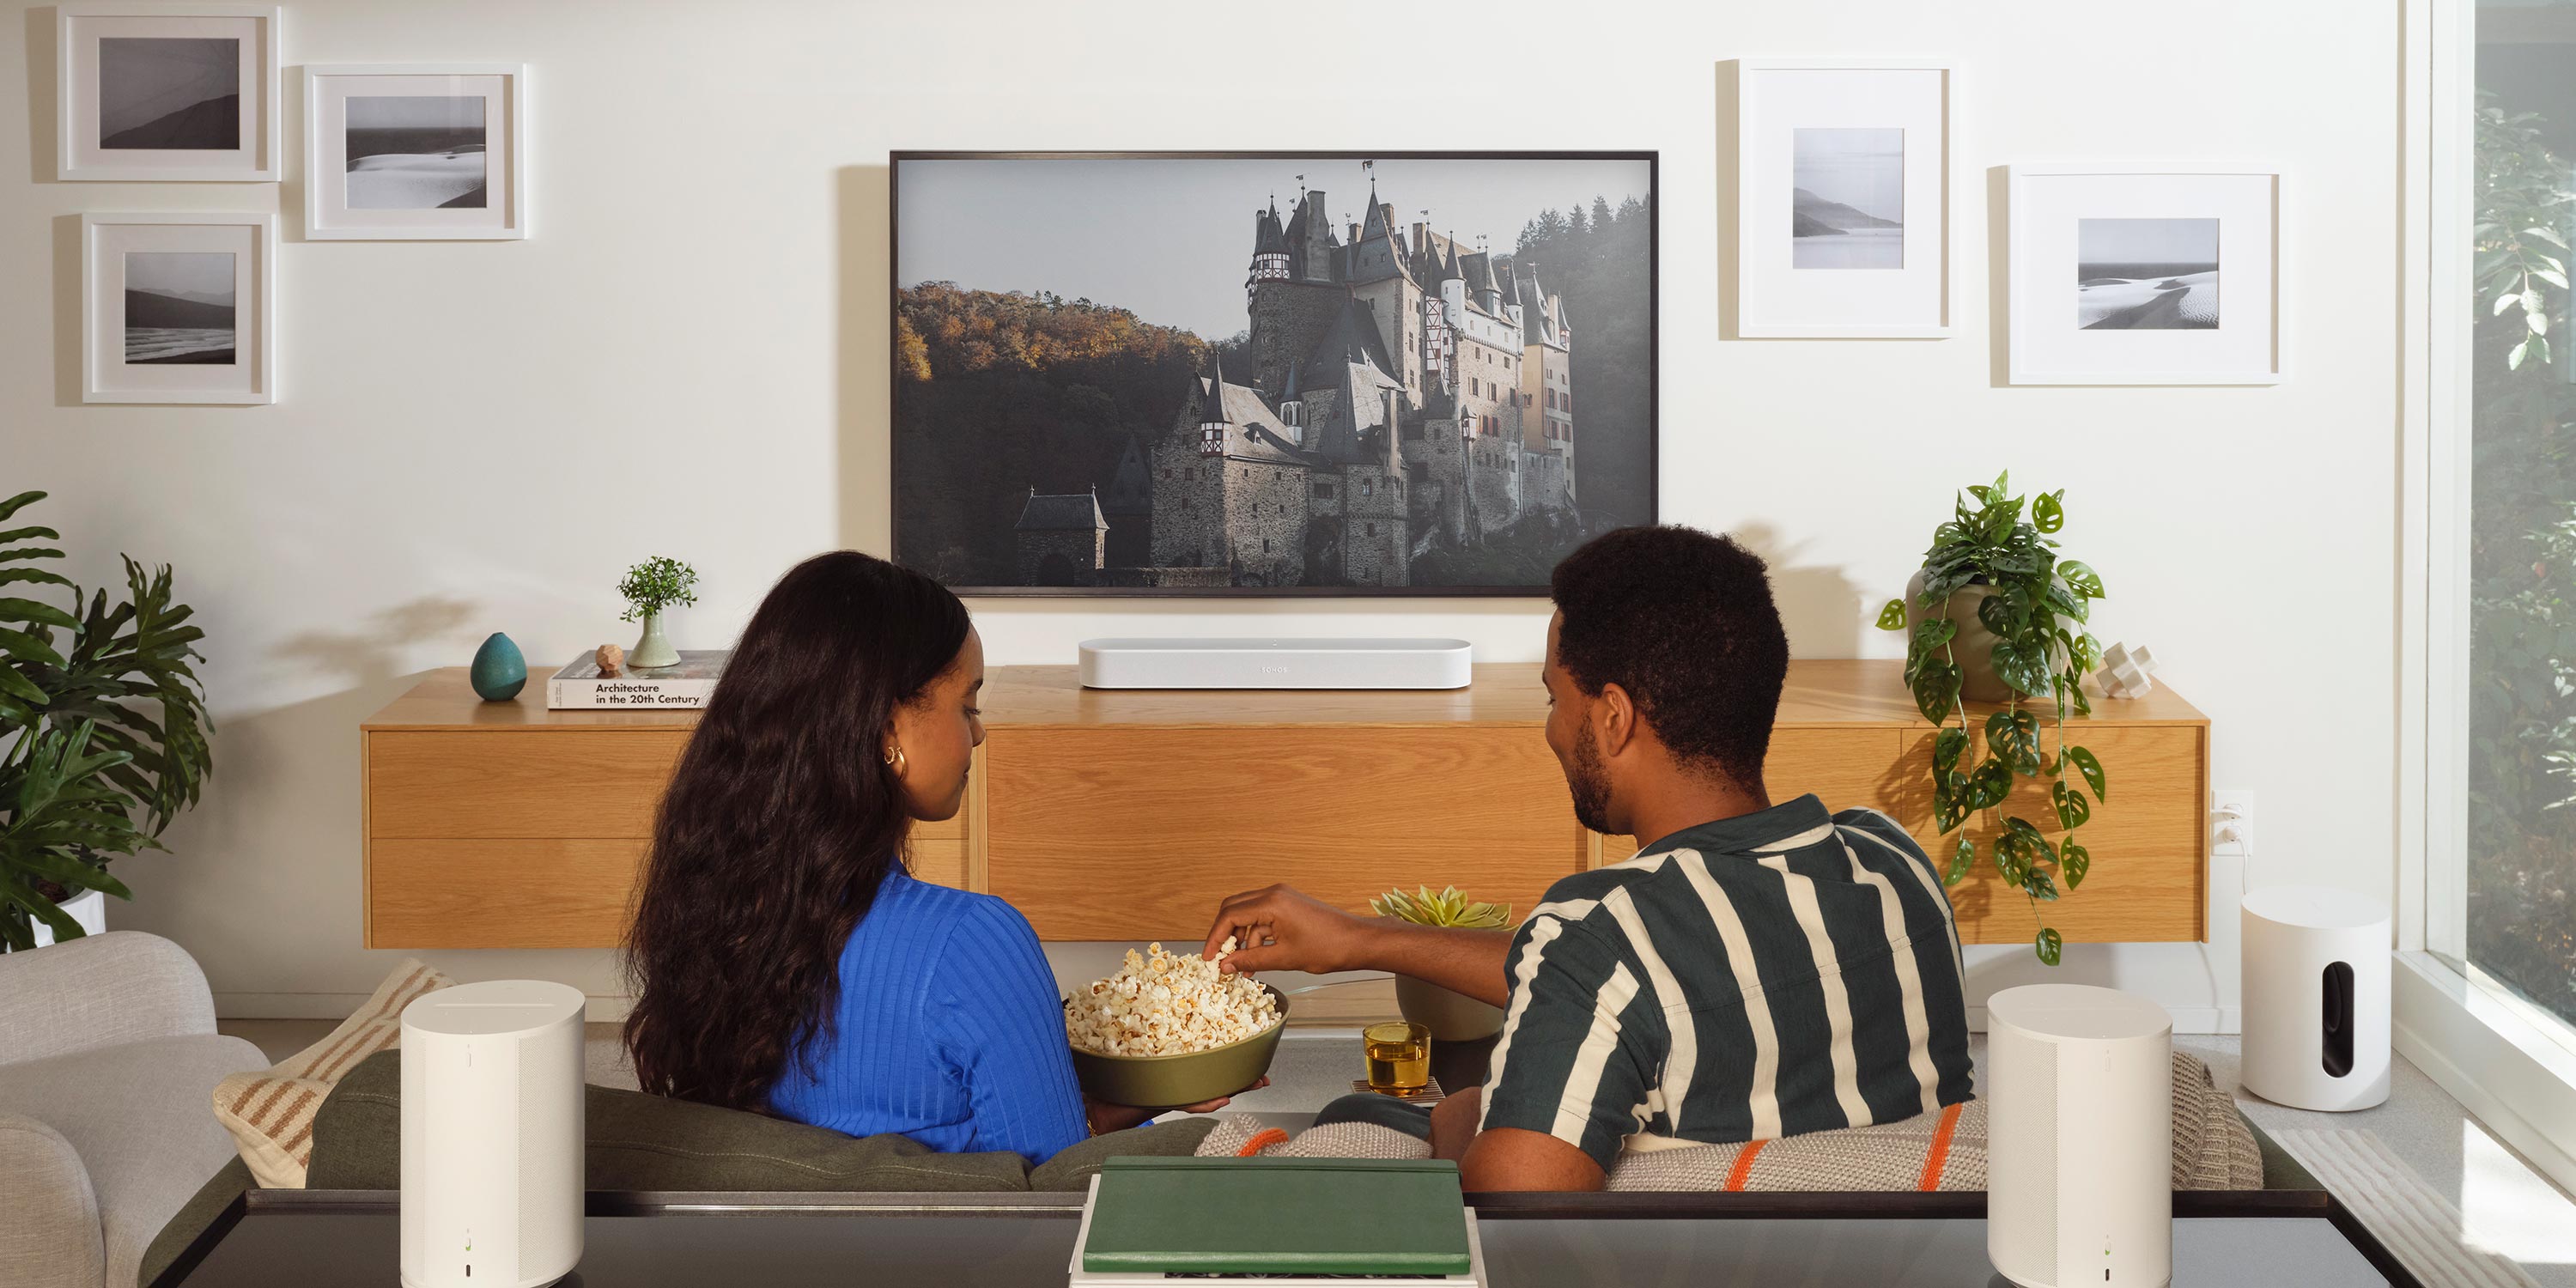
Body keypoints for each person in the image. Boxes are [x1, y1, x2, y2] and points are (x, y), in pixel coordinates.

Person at [1202, 526, 1974, 1191]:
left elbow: (1514, 1201)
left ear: (1612, 718)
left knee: (1359, 1112)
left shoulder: (1603, 929)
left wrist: (1464, 1118)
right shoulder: (1893, 863)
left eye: (1553, 698)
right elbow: (1641, 974)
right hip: (1894, 1255)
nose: (1549, 728)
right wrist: (1362, 940)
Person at [623, 551, 1237, 1164]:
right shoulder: (973, 943)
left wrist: (1099, 1103)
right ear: (888, 726)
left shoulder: (707, 912)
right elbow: (1055, 1185)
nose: (979, 733)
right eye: (968, 706)